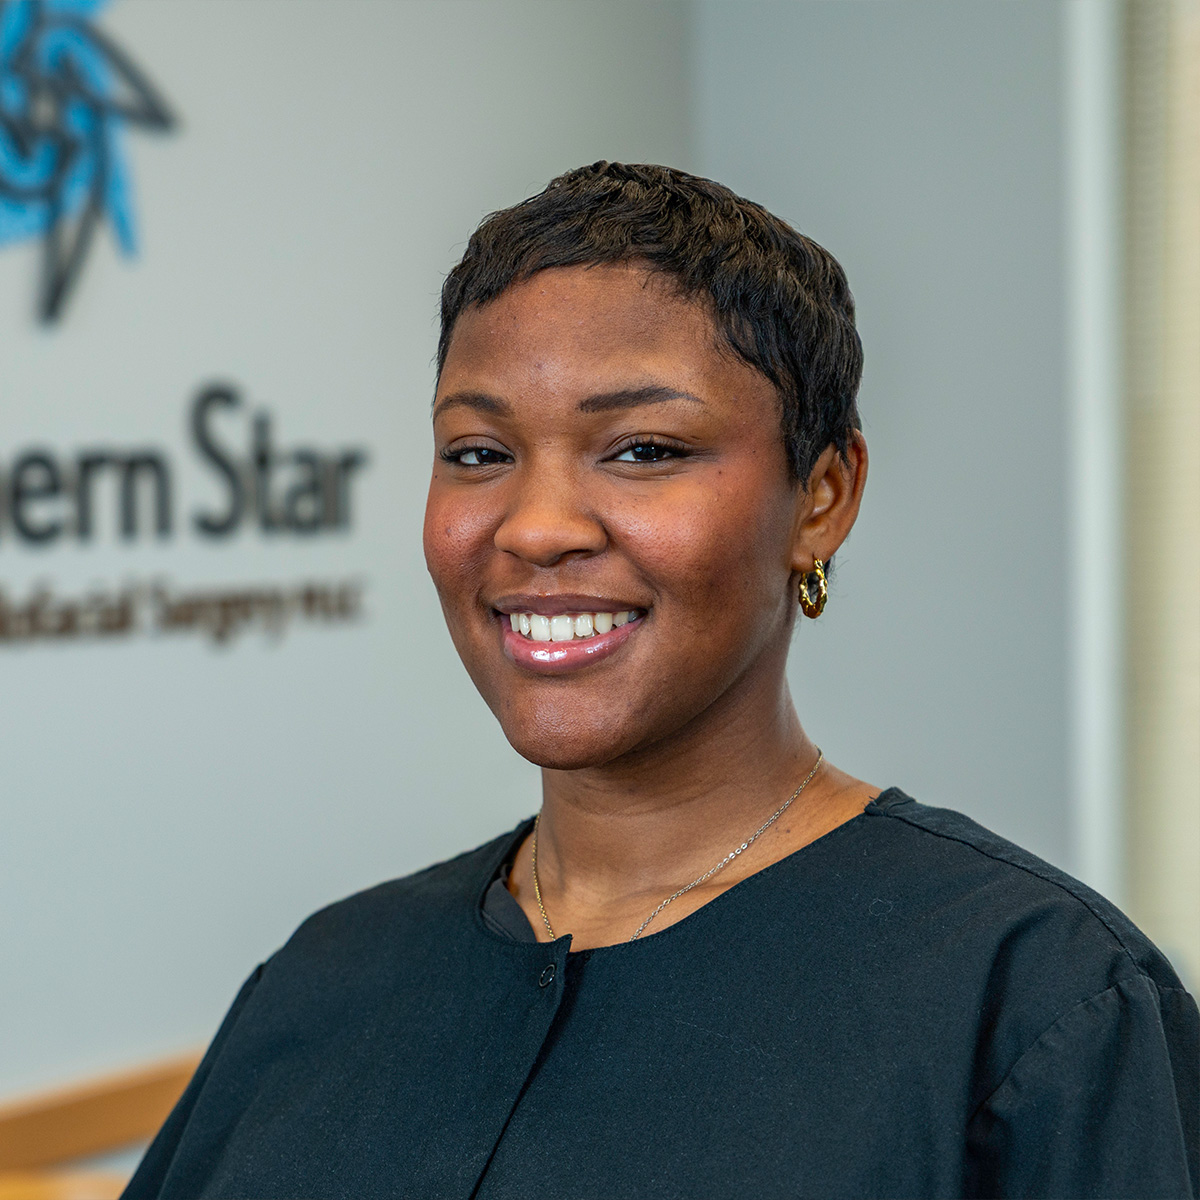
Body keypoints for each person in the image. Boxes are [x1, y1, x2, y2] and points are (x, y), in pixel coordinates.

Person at [123, 163, 1198, 1200]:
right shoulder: (326, 979)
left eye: (641, 450)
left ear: (822, 496)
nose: (537, 529)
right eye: (479, 452)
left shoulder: (1040, 1003)